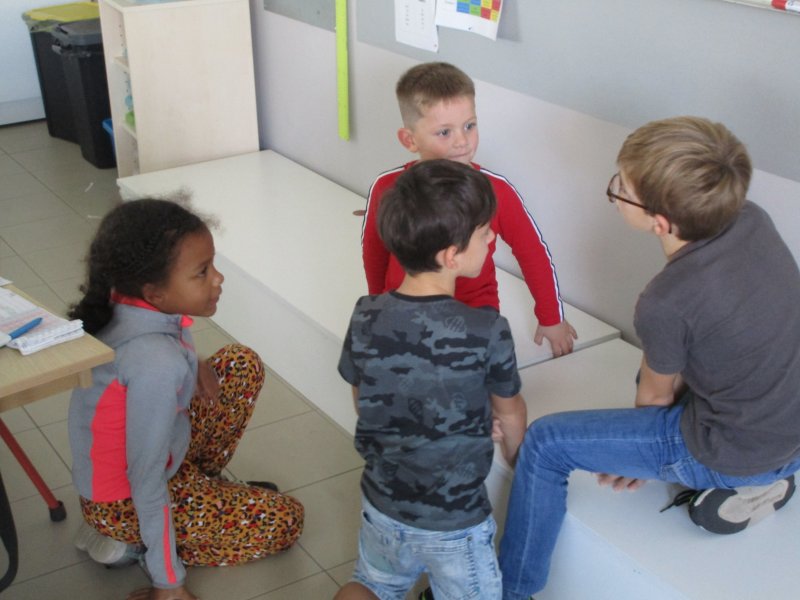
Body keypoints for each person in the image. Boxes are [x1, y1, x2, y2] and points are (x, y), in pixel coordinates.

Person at [498, 116, 800, 600]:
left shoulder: (666, 300)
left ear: (660, 222)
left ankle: (510, 592)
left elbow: (655, 400)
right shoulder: (752, 219)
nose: (615, 193)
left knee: (545, 442)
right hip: (787, 436)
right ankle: (762, 482)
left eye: (620, 187)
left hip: (733, 451)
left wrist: (639, 457)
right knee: (661, 364)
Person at [68, 199, 304, 600]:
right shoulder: (155, 362)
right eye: (202, 272)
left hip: (162, 456)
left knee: (240, 364)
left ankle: (198, 497)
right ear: (155, 292)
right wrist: (168, 584)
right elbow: (145, 479)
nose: (219, 278)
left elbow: (162, 347)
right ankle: (136, 546)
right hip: (128, 499)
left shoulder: (130, 302)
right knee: (286, 520)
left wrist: (192, 362)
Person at [335, 160, 528, 600]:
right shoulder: (487, 329)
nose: (492, 239)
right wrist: (515, 457)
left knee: (370, 584)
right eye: (485, 233)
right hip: (455, 521)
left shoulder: (366, 313)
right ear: (451, 256)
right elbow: (511, 412)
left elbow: (365, 396)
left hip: (381, 502)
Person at [361, 61, 577, 357]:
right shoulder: (387, 187)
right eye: (444, 132)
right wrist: (377, 304)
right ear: (409, 139)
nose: (462, 142)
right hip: (403, 308)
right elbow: (374, 251)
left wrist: (551, 317)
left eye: (469, 126)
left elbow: (532, 252)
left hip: (475, 313)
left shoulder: (497, 190)